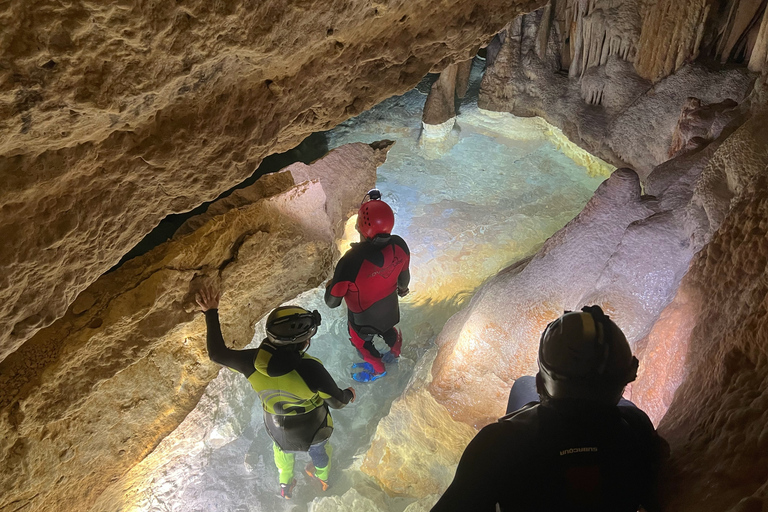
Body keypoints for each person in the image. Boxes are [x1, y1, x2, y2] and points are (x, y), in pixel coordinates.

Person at [431, 305, 668, 512]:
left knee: (521, 387)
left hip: (528, 450)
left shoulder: (497, 446)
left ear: (541, 382)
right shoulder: (636, 427)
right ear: (625, 381)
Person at [196, 286, 356, 499]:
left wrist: (210, 311)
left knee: (282, 452)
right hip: (313, 427)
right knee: (319, 452)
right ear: (305, 342)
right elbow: (337, 402)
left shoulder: (249, 361)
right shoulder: (311, 369)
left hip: (278, 426)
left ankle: (285, 487)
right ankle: (323, 479)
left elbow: (217, 354)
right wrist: (349, 394)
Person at [325, 189, 411, 382]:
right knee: (389, 331)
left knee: (363, 345)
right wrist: (401, 289)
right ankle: (395, 353)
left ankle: (378, 370)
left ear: (359, 227)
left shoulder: (350, 262)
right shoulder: (400, 245)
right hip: (390, 312)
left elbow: (332, 303)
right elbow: (404, 283)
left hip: (363, 321)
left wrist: (330, 285)